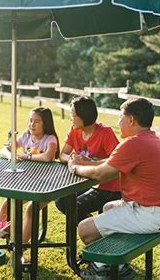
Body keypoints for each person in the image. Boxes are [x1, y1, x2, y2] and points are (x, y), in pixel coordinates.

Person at [68, 98, 160, 278]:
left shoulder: (133, 143)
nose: (118, 122)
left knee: (84, 229)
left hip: (149, 215)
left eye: (120, 117)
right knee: (107, 207)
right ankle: (116, 266)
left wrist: (75, 168)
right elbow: (115, 161)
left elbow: (101, 175)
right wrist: (87, 161)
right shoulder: (148, 139)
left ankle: (102, 269)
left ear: (131, 120)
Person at [0, 106, 59, 245]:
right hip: (27, 184)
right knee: (6, 206)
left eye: (37, 121)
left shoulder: (50, 139)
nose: (32, 124)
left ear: (46, 123)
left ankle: (20, 248)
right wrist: (10, 155)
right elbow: (5, 149)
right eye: (30, 120)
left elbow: (48, 157)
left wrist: (26, 156)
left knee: (31, 209)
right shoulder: (26, 136)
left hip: (46, 187)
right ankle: (7, 235)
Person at [55, 96, 121, 224]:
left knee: (74, 206)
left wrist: (88, 162)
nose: (70, 118)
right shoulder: (74, 131)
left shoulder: (105, 132)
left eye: (73, 115)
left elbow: (116, 160)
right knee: (62, 201)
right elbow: (63, 154)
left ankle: (94, 230)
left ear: (83, 115)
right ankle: (94, 227)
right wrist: (73, 159)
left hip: (109, 187)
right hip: (86, 182)